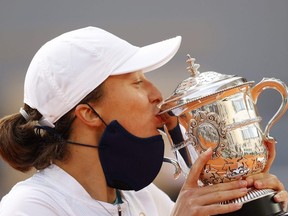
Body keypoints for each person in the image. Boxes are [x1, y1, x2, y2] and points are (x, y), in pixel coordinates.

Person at [0, 26, 287, 216]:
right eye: (137, 83)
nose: (156, 95)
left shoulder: (143, 198)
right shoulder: (28, 207)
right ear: (88, 112)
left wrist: (244, 201)